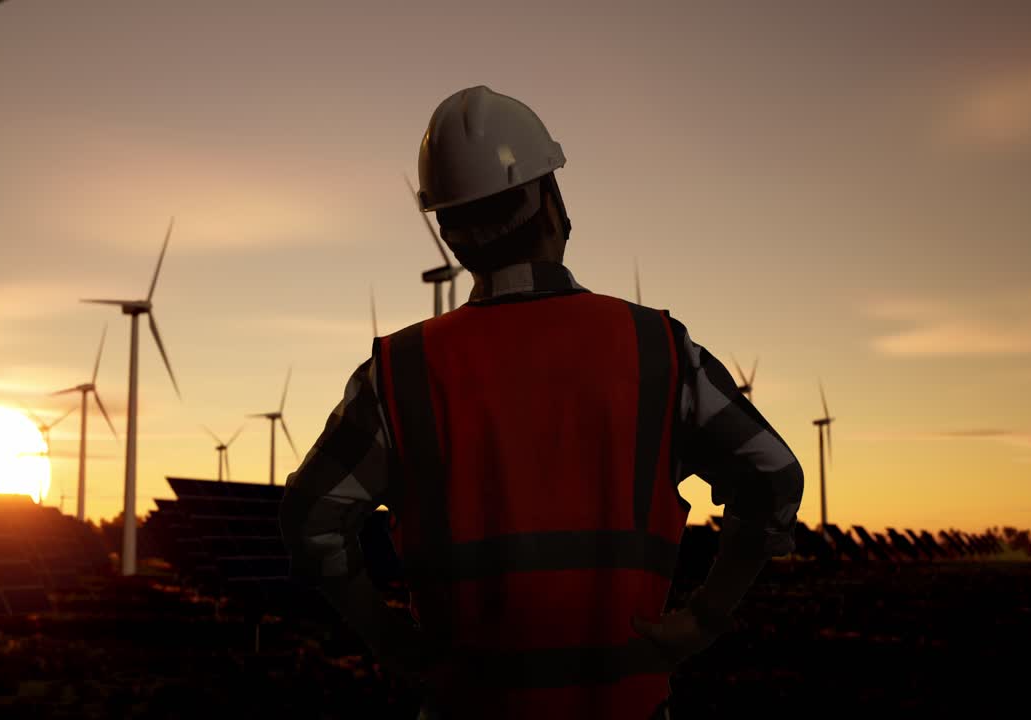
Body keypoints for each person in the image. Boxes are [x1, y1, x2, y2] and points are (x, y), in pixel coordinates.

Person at [279, 85, 805, 719]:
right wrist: (706, 617)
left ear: (449, 234)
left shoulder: (397, 372)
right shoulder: (658, 349)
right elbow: (772, 473)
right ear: (551, 202)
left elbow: (311, 519)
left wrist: (389, 640)